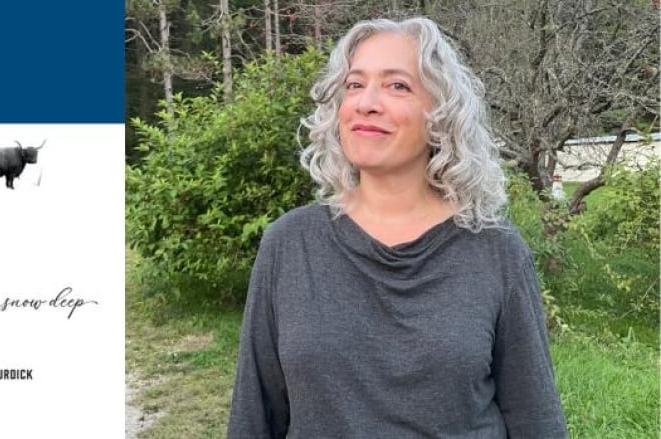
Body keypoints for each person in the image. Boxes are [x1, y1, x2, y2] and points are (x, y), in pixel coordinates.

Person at [228, 17, 567, 439]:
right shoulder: (290, 244)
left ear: (441, 114)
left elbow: (536, 419)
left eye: (397, 86)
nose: (366, 102)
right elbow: (255, 416)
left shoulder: (495, 250)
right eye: (354, 85)